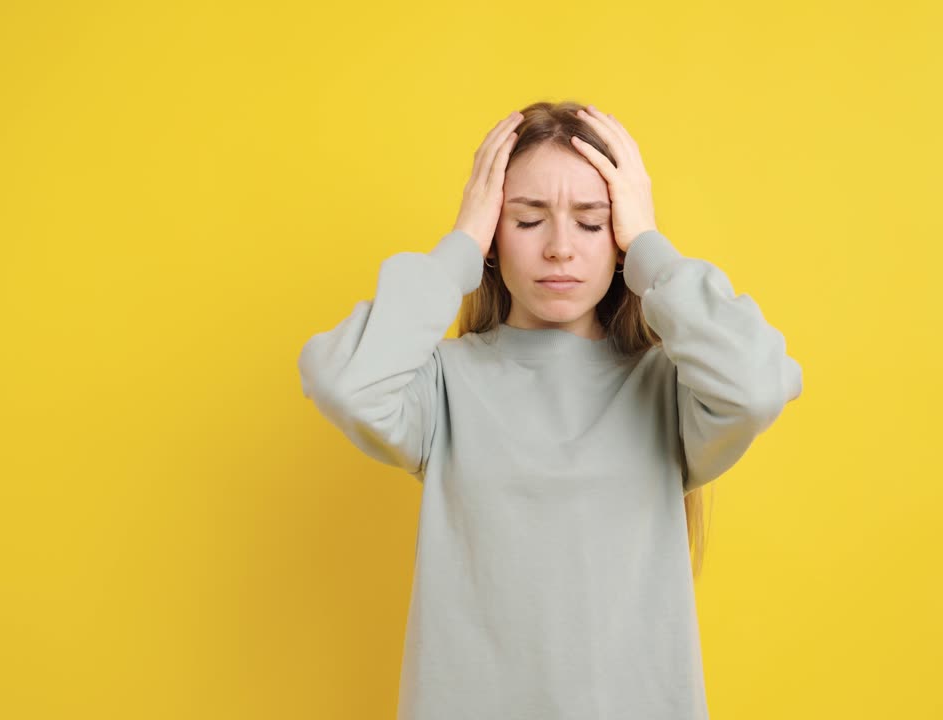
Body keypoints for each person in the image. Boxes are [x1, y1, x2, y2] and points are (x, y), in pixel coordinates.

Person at [298, 100, 803, 720]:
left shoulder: (668, 387)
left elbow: (757, 385)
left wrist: (650, 246)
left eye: (592, 224)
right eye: (528, 219)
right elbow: (343, 381)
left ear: (618, 243)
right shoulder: (443, 384)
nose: (561, 248)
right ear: (493, 234)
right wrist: (456, 249)